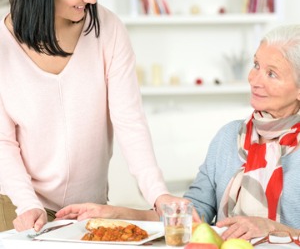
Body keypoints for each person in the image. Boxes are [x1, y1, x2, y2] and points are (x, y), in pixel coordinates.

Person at [0, 0, 187, 232]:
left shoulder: (108, 29)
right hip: (18, 206)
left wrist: (157, 193)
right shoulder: (3, 46)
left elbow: (129, 120)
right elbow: (3, 142)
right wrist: (28, 204)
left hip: (88, 209)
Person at [57, 24, 300, 241]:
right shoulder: (229, 137)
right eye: (256, 65)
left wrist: (276, 229)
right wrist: (116, 214)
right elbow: (191, 215)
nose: (254, 79)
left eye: (272, 73)